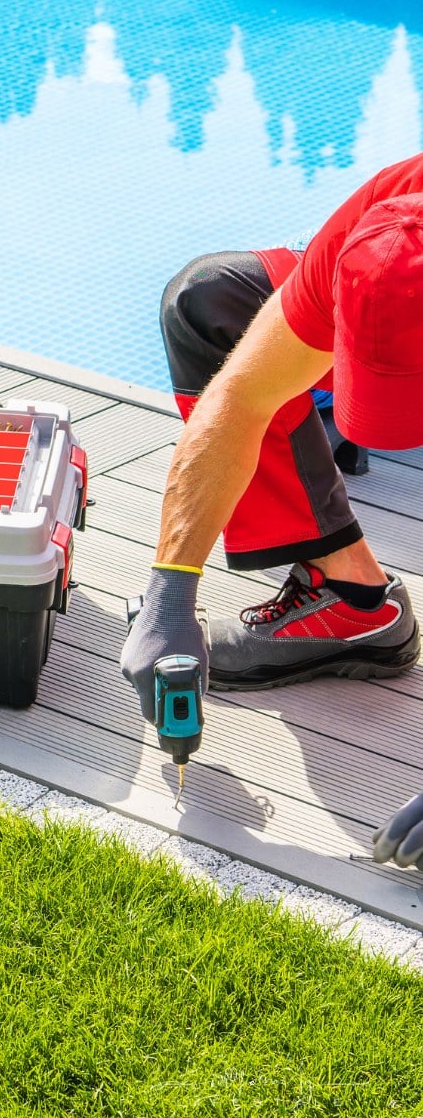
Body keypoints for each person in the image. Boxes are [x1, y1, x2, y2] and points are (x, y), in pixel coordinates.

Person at [120, 152, 423, 870]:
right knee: (211, 302)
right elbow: (241, 399)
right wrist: (171, 591)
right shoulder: (379, 225)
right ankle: (349, 600)